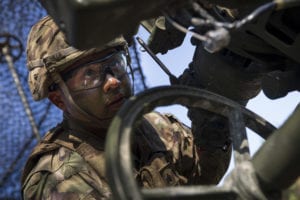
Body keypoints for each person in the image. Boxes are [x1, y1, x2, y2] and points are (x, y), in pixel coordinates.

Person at [21, 16, 232, 199]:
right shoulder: (58, 176)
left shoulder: (157, 127)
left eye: (115, 64)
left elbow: (204, 179)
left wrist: (212, 129)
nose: (112, 82)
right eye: (89, 75)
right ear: (58, 99)